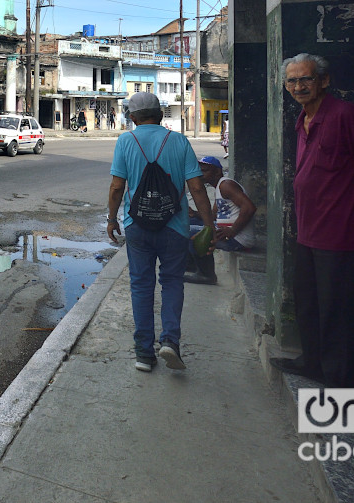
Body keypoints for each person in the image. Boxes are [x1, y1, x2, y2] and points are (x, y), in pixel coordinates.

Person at [270, 53, 354, 388]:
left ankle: (343, 383)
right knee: (309, 303)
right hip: (307, 230)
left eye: (305, 79)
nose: (298, 86)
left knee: (340, 312)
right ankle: (313, 362)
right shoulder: (303, 119)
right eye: (291, 81)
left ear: (324, 81)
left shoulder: (345, 116)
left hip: (340, 231)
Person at [106, 91, 214, 372]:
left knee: (141, 285)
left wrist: (112, 219)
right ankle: (170, 342)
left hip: (137, 226)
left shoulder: (125, 141)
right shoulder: (178, 141)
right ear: (160, 113)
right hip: (174, 226)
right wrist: (208, 224)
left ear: (132, 117)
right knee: (172, 283)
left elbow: (117, 186)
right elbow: (197, 187)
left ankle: (143, 354)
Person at [183, 155, 258, 285]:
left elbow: (249, 207)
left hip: (238, 238)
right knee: (185, 224)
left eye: (205, 170)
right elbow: (212, 217)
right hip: (226, 232)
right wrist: (194, 214)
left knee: (190, 233)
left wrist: (233, 230)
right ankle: (193, 265)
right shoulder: (219, 188)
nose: (201, 174)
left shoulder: (226, 185)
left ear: (217, 171)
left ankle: (206, 274)